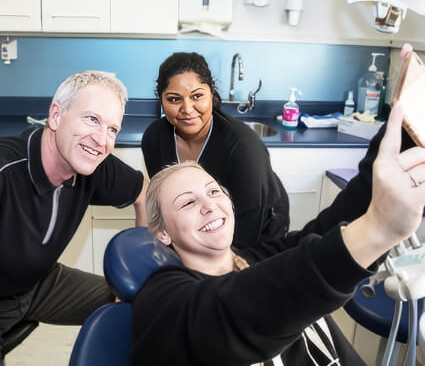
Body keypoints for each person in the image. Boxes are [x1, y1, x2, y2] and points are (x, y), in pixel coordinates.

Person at [131, 102, 425, 366]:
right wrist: (376, 229)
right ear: (162, 233)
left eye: (213, 191)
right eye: (188, 202)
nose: (209, 205)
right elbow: (232, 312)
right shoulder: (162, 299)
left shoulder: (259, 258)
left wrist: (409, 122)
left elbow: (340, 222)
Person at [0, 71, 148, 364]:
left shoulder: (93, 165)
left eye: (112, 129)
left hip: (40, 281)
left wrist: (138, 270)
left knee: (141, 302)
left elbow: (143, 193)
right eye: (92, 119)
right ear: (56, 116)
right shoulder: (6, 172)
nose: (101, 140)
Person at [141, 52, 290, 249]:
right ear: (161, 100)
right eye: (174, 99)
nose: (187, 108)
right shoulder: (154, 139)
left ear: (211, 93)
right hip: (202, 231)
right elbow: (167, 208)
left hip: (258, 232)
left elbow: (248, 227)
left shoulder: (243, 146)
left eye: (197, 96)